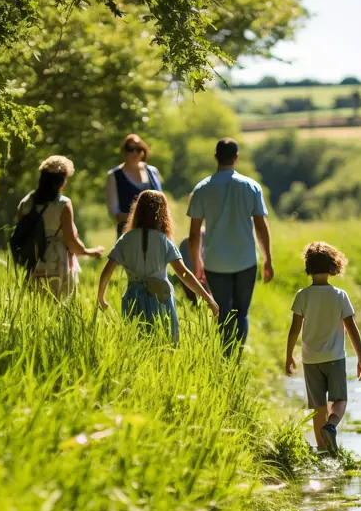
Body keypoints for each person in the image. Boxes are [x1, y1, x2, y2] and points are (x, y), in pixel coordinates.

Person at [187, 138, 273, 351]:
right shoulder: (251, 186)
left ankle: (226, 355)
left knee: (222, 311)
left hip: (215, 262)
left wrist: (197, 262)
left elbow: (194, 233)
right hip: (245, 260)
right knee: (241, 312)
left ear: (215, 156)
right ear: (236, 157)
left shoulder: (202, 189)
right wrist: (267, 259)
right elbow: (261, 227)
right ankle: (236, 356)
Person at [98, 190, 218, 341]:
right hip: (160, 298)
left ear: (138, 211)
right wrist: (209, 299)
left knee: (136, 342)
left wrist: (101, 297)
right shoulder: (164, 241)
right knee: (164, 342)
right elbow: (184, 274)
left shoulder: (125, 239)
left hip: (134, 297)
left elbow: (107, 270)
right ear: (163, 214)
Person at [285, 241, 361, 455]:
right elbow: (352, 329)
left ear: (308, 269)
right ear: (333, 267)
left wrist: (288, 356)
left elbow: (294, 330)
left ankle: (323, 453)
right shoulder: (340, 296)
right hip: (335, 358)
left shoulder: (302, 295)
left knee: (318, 407)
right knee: (339, 400)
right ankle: (331, 427)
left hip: (310, 359)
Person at [16, 155, 103, 298]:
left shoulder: (26, 202)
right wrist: (90, 252)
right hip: (58, 266)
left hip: (33, 266)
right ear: (62, 181)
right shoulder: (62, 204)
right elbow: (71, 242)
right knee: (61, 311)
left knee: (37, 313)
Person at [106, 134, 163, 238]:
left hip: (155, 233)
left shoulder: (153, 172)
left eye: (138, 149)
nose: (135, 153)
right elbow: (114, 211)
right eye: (130, 149)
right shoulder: (114, 175)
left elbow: (163, 203)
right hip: (128, 235)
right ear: (124, 151)